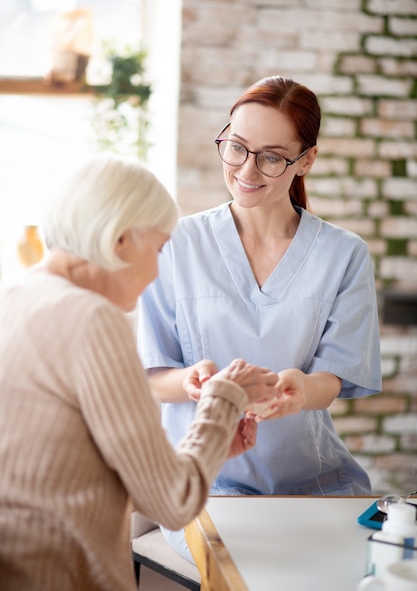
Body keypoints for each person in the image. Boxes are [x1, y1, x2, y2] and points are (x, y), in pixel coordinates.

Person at [0, 153, 279, 591]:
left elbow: (76, 472)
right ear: (120, 241)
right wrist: (225, 399)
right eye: (160, 249)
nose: (156, 271)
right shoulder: (92, 318)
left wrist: (210, 444)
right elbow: (172, 503)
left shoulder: (16, 294)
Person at [138, 75, 382, 562]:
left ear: (306, 160)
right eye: (236, 147)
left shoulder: (344, 254)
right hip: (204, 484)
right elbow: (149, 376)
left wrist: (301, 391)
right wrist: (194, 383)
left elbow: (335, 378)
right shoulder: (176, 244)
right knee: (255, 566)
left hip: (313, 483)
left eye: (272, 156)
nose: (247, 169)